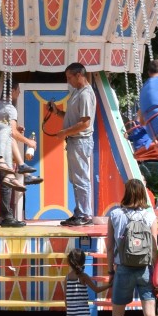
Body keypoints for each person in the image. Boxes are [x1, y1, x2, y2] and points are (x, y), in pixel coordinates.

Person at [105, 180, 158, 316]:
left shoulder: (115, 214)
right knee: (150, 315)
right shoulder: (149, 215)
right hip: (145, 268)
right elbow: (154, 246)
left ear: (126, 192)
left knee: (118, 315)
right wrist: (157, 272)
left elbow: (110, 247)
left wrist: (111, 270)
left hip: (123, 269)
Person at [57, 63, 96, 226]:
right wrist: (57, 112)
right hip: (75, 141)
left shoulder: (85, 94)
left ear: (79, 75)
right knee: (76, 179)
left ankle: (85, 214)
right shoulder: (77, 93)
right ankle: (79, 212)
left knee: (81, 178)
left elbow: (85, 123)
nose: (68, 81)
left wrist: (64, 132)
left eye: (70, 77)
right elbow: (75, 118)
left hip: (80, 141)